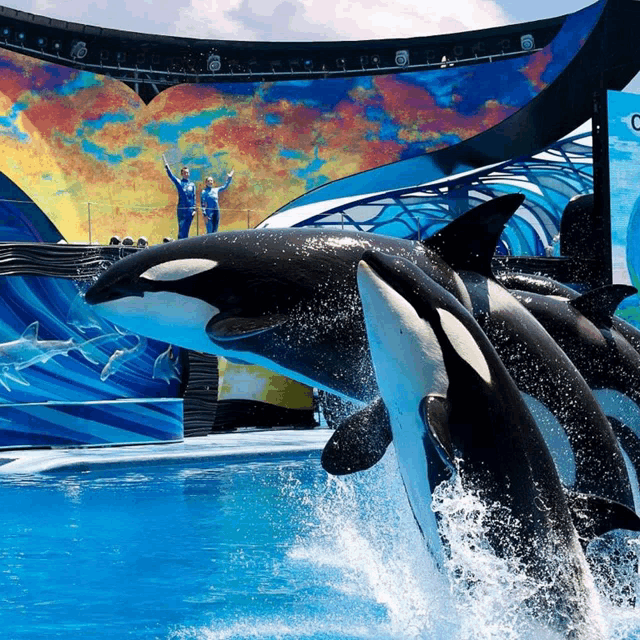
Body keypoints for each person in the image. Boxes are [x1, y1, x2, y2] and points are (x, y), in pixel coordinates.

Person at [164, 156, 197, 239]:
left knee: (187, 229)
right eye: (185, 173)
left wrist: (194, 209)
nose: (186, 174)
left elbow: (194, 197)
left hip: (190, 209)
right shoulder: (179, 182)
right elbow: (171, 176)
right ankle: (179, 244)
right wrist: (167, 168)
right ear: (182, 174)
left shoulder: (192, 185)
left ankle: (185, 246)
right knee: (181, 229)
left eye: (187, 173)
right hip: (182, 209)